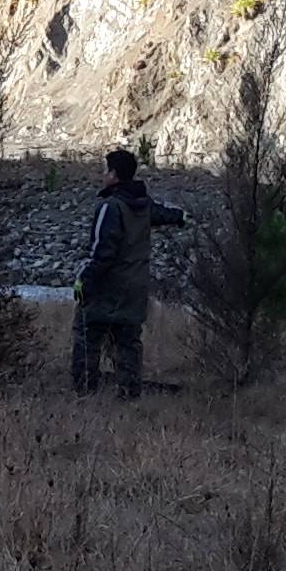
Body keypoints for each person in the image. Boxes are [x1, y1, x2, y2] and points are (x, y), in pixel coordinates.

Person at [72, 148, 184, 398]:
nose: (103, 175)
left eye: (105, 170)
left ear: (113, 174)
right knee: (128, 342)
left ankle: (84, 394)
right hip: (135, 290)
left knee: (87, 336)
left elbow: (102, 253)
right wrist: (181, 217)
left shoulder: (110, 208)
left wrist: (84, 281)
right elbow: (165, 214)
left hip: (106, 288)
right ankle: (130, 394)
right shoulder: (143, 206)